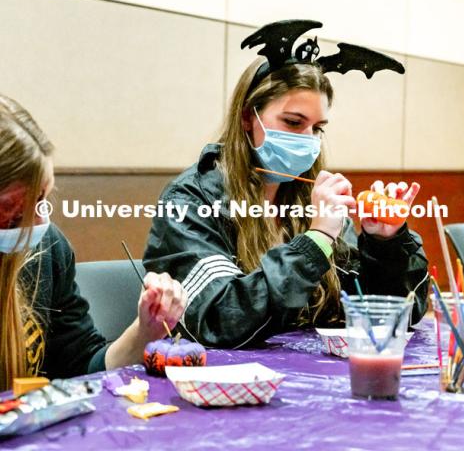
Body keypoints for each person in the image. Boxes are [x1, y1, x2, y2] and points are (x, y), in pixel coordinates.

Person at [143, 20, 429, 349]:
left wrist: (384, 244)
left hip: (309, 384)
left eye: (317, 128)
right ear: (249, 118)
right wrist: (317, 240)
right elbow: (220, 319)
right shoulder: (192, 199)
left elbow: (389, 315)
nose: (308, 142)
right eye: (293, 123)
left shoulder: (313, 199)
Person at [0, 94, 186, 391]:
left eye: (43, 200)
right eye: (15, 213)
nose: (38, 223)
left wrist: (145, 331)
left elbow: (80, 367)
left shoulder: (48, 249)